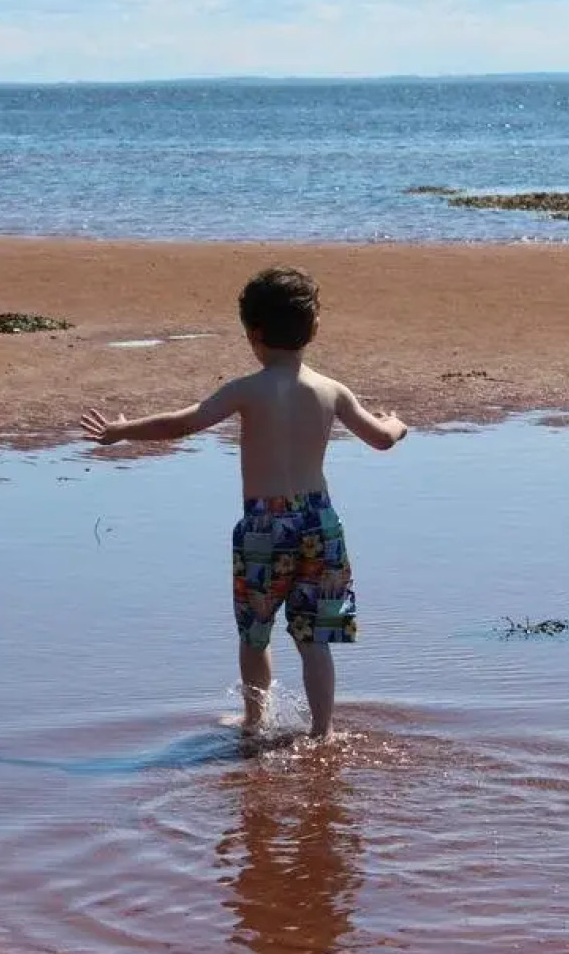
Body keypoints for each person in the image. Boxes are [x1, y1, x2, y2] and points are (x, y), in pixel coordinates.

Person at [80, 266, 407, 738]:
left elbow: (183, 423)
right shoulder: (332, 390)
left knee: (255, 633)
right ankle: (322, 732)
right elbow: (381, 439)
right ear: (313, 329)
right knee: (314, 638)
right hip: (320, 523)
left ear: (253, 333)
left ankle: (255, 724)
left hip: (265, 527)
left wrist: (121, 431)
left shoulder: (247, 390)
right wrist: (396, 422)